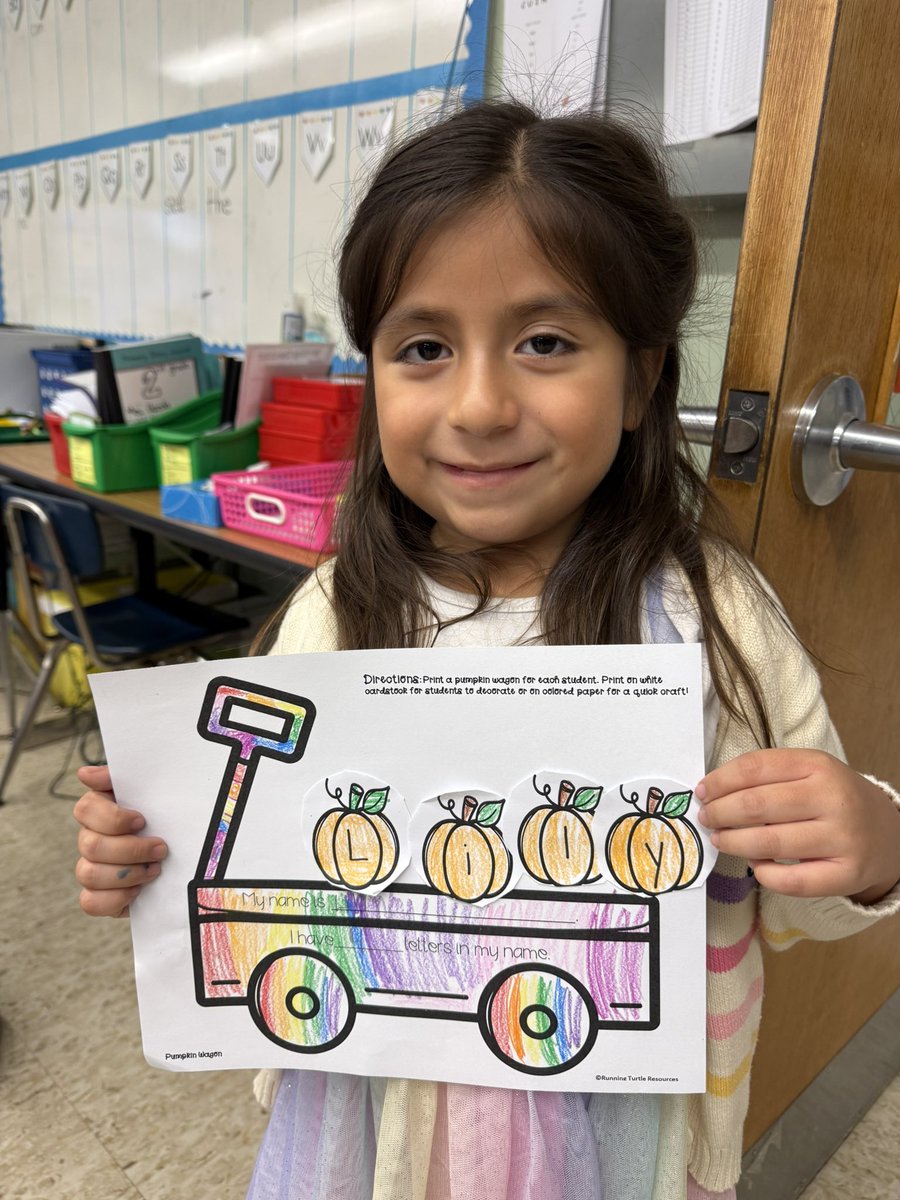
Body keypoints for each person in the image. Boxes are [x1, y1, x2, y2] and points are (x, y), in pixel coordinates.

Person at [73, 100, 900, 1200]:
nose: (479, 404)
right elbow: (247, 814)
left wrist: (873, 834)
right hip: (369, 1131)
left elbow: (797, 896)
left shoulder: (717, 619)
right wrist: (147, 850)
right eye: (423, 348)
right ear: (374, 372)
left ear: (643, 376)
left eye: (546, 342)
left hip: (629, 1144)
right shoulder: (336, 610)